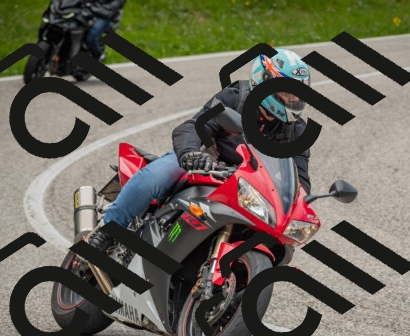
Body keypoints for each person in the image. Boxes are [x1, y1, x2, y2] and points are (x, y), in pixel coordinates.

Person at [87, 48, 313, 252]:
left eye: (298, 92)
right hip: (204, 163)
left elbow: (299, 178)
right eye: (288, 92)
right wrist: (190, 154)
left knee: (280, 239)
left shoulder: (297, 130)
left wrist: (299, 203)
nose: (294, 99)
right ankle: (107, 230)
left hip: (247, 185)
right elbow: (194, 126)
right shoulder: (235, 98)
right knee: (156, 177)